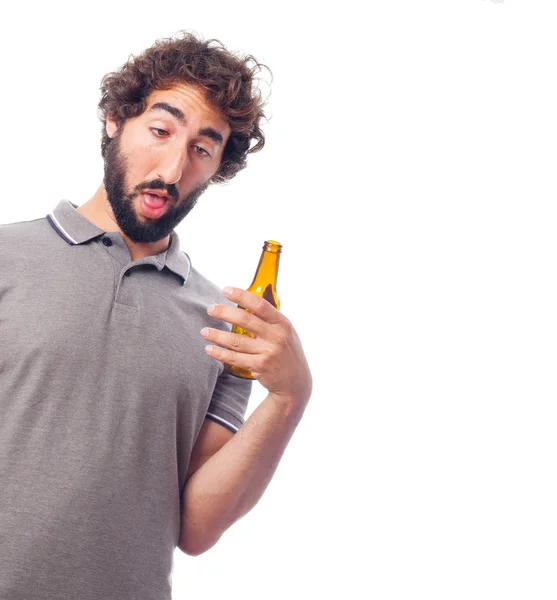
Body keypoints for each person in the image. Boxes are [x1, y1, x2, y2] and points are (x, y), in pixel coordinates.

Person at [0, 31, 312, 600]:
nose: (171, 169)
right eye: (161, 130)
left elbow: (195, 528)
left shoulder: (222, 321)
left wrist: (290, 398)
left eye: (202, 148)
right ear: (117, 120)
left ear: (219, 166)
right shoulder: (6, 258)